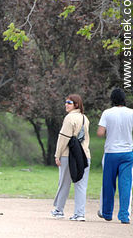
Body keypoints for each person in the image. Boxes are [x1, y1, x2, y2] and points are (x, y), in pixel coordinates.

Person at [51, 94, 91, 221]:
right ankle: (80, 214)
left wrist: (57, 155)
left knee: (64, 182)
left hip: (68, 155)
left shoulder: (69, 118)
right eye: (66, 102)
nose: (66, 104)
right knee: (81, 185)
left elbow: (63, 138)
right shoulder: (85, 118)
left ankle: (59, 210)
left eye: (69, 102)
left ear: (76, 105)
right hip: (84, 155)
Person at [96, 88, 133, 224]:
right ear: (124, 99)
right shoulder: (131, 113)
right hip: (127, 153)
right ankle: (124, 216)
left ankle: (107, 213)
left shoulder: (107, 113)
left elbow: (100, 133)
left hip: (111, 152)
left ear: (112, 99)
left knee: (108, 183)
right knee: (126, 184)